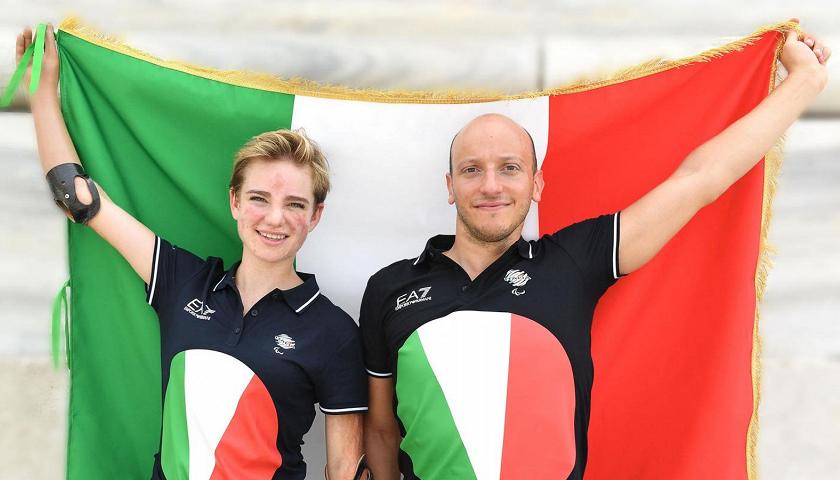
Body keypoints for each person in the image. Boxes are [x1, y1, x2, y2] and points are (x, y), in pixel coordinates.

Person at [361, 21, 831, 480]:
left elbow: (699, 179)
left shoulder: (571, 262)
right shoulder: (389, 287)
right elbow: (381, 432)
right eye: (471, 170)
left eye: (509, 167)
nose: (491, 186)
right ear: (449, 186)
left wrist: (805, 81)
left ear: (536, 183)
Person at [17, 25, 369, 480]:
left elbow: (346, 469)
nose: (275, 218)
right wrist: (43, 93)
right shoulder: (182, 281)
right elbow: (77, 197)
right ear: (235, 203)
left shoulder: (334, 330)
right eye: (259, 198)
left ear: (315, 216)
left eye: (295, 204)